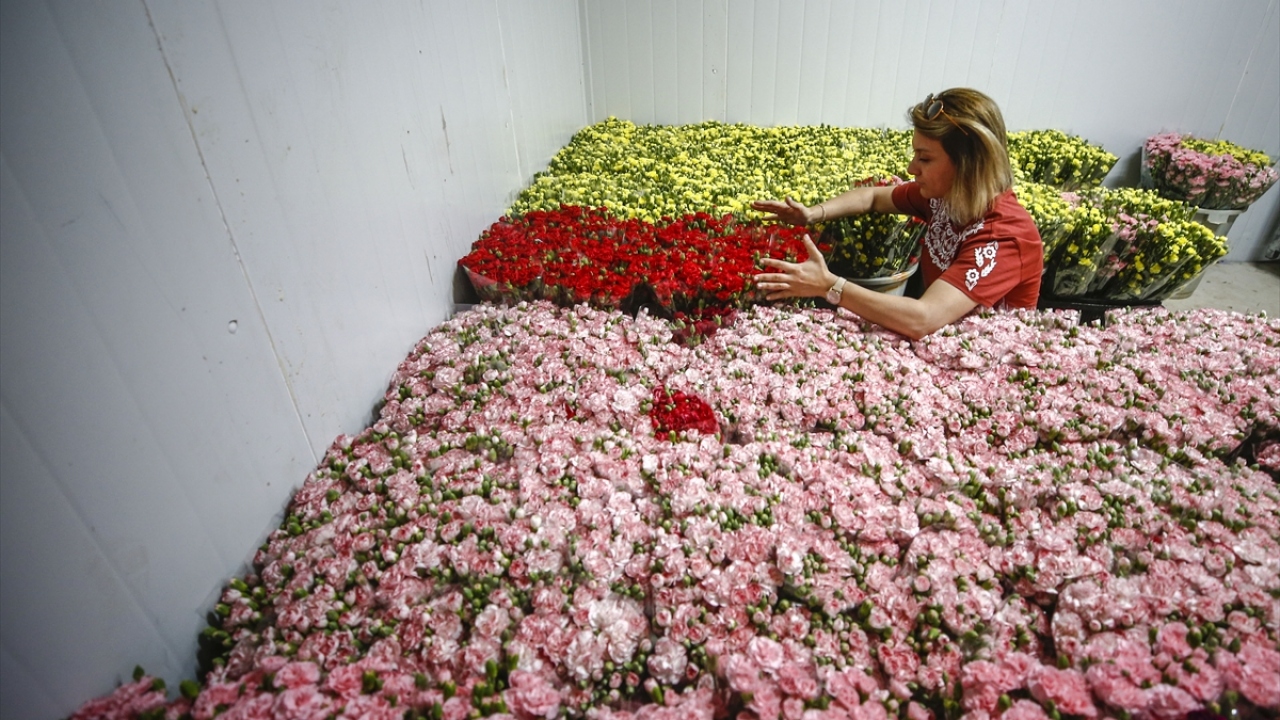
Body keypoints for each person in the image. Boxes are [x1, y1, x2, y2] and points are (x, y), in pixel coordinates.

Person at [752, 88, 1042, 340]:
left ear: (969, 164)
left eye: (925, 158)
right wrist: (813, 214)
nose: (911, 169)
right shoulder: (946, 198)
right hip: (942, 349)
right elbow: (873, 197)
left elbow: (923, 318)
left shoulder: (1003, 237)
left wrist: (829, 285)